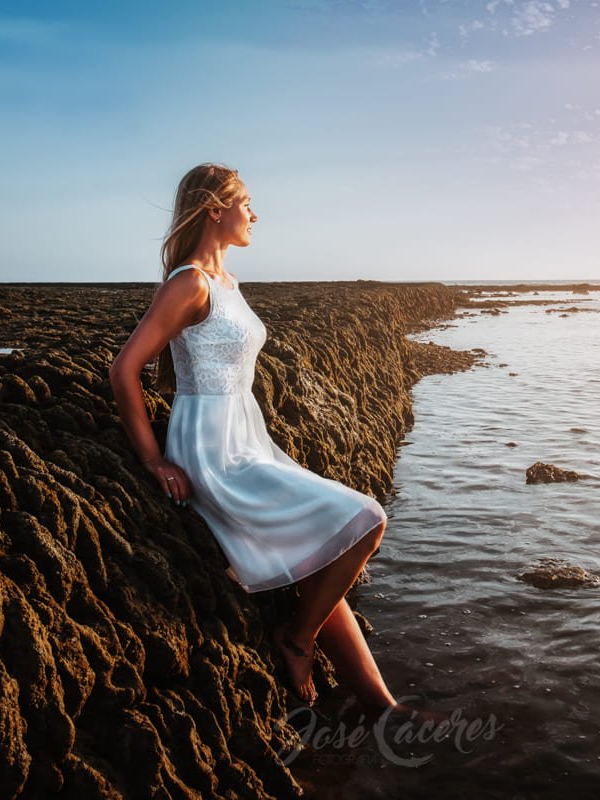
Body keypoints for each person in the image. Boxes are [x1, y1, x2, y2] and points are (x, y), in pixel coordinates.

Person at [109, 163, 424, 719]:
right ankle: (296, 640)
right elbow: (124, 369)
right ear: (214, 209)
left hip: (247, 439)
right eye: (246, 202)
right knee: (369, 518)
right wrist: (154, 458)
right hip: (212, 451)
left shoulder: (226, 282)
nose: (255, 213)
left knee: (324, 554)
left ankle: (384, 707)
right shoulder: (190, 283)